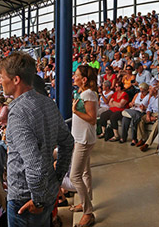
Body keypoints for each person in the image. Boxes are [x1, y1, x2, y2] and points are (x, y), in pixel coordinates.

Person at [0, 52, 74, 227]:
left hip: (25, 200)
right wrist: (56, 179)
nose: (0, 82)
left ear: (16, 80)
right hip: (45, 191)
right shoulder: (48, 103)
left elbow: (35, 165)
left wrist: (38, 201)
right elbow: (67, 142)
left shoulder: (17, 113)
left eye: (2, 77)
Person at [70, 65, 99, 227]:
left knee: (75, 176)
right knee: (86, 172)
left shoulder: (88, 94)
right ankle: (85, 200)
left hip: (84, 140)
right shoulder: (83, 93)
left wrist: (75, 111)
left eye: (77, 75)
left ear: (84, 79)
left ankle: (88, 212)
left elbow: (92, 118)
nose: (74, 77)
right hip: (80, 138)